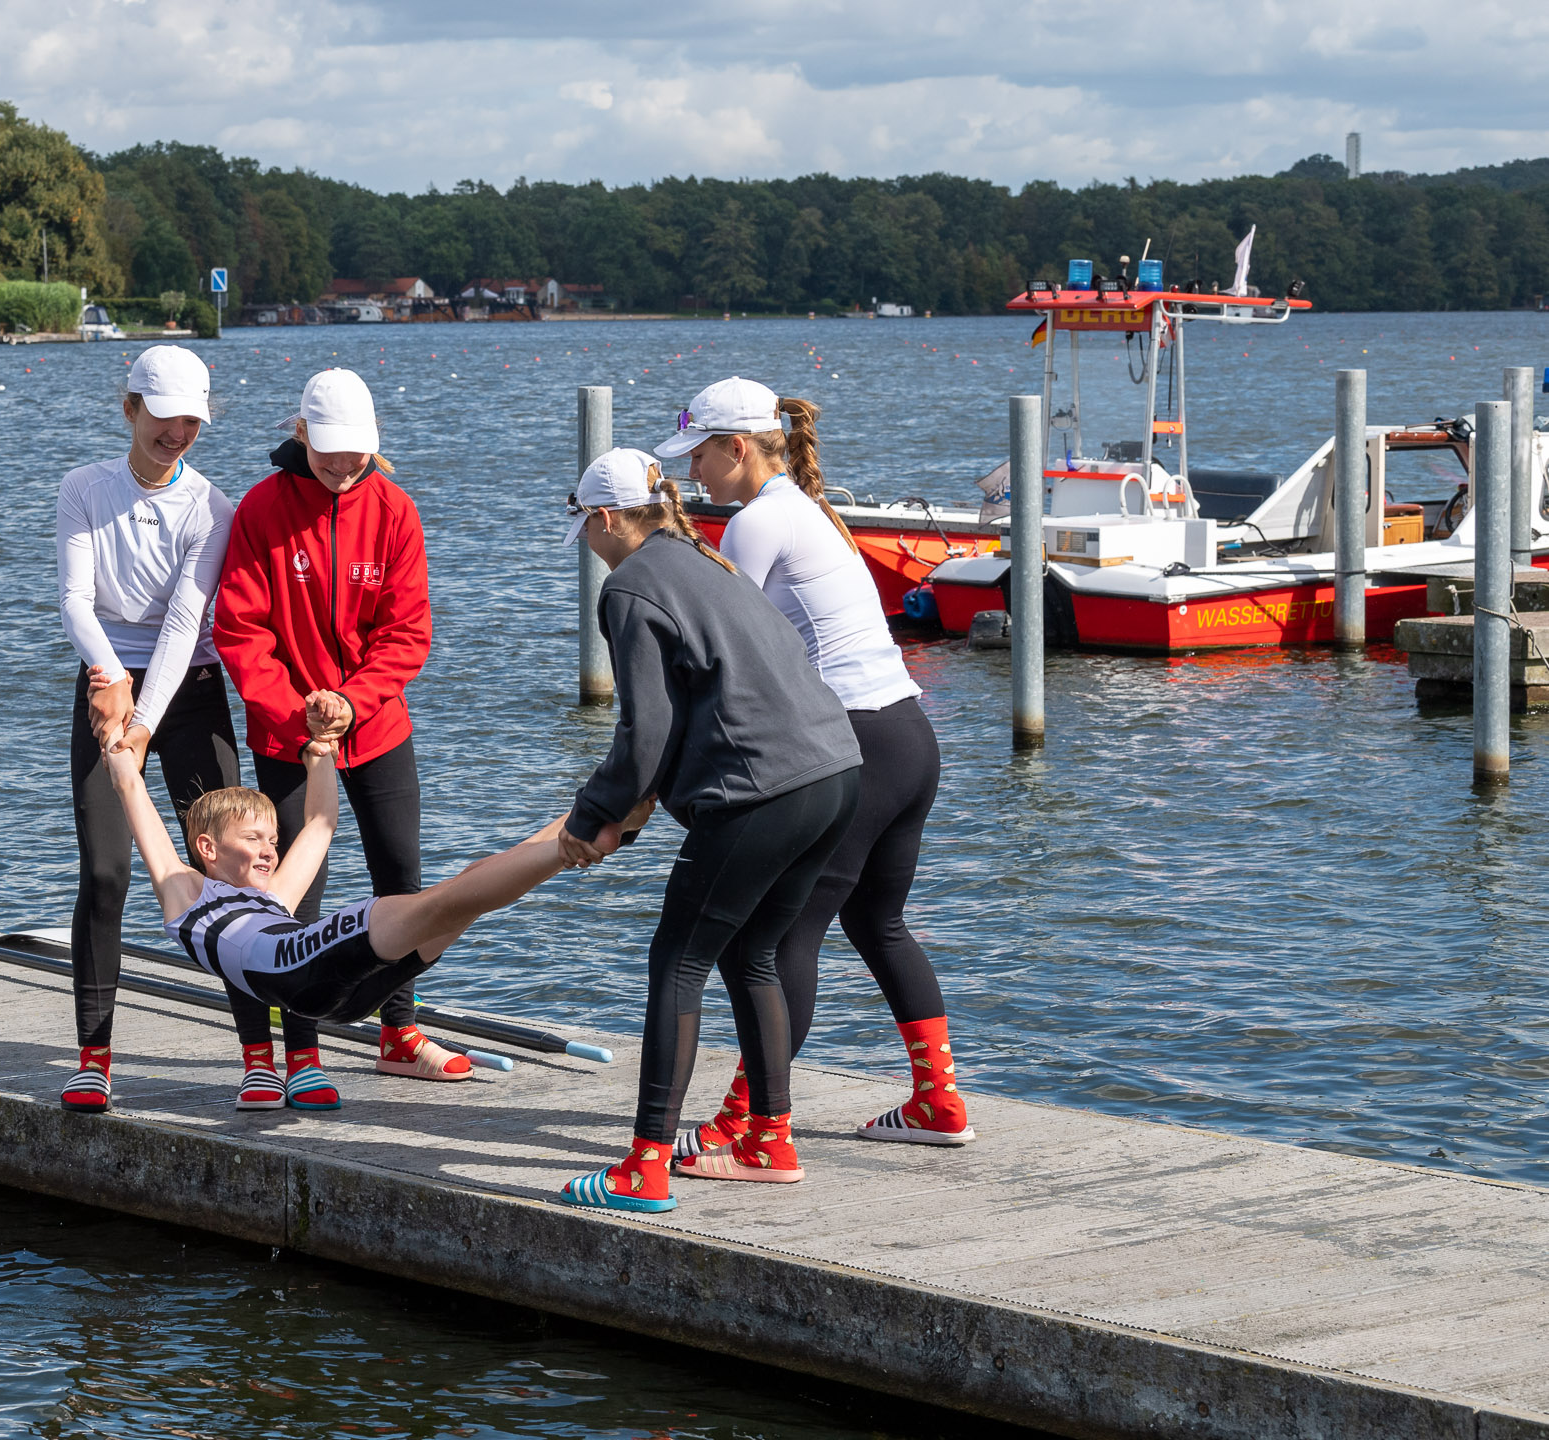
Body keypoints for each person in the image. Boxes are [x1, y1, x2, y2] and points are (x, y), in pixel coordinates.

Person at [658, 378, 974, 1149]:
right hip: (908, 735)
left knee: (779, 938)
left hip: (858, 747)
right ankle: (938, 1101)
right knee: (877, 920)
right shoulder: (804, 508)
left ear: (737, 447)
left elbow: (729, 661)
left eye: (698, 454)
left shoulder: (756, 526)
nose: (692, 471)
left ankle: (749, 1121)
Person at [555, 448, 864, 1213]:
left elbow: (645, 731)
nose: (589, 549)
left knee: (678, 961)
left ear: (604, 519)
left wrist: (591, 817)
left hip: (762, 787)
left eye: (586, 532)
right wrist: (629, 807)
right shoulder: (704, 557)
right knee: (752, 954)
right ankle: (769, 1140)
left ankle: (645, 1166)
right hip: (835, 770)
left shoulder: (630, 587)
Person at [212, 366, 469, 1110]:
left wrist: (351, 703)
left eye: (355, 455)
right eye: (328, 455)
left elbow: (407, 630)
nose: (343, 467)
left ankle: (400, 1030)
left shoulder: (395, 510)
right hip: (287, 732)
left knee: (403, 878)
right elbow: (239, 627)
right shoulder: (262, 508)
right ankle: (301, 1050)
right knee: (294, 892)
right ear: (300, 435)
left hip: (376, 724)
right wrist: (300, 712)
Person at [98, 723, 642, 1039]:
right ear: (208, 849)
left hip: (335, 998)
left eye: (270, 840)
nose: (269, 850)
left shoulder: (275, 898)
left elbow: (318, 823)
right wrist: (121, 753)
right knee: (440, 901)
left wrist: (321, 756)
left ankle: (589, 822)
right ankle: (581, 842)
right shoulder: (185, 890)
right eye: (253, 840)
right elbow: (135, 800)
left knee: (465, 892)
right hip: (299, 966)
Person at [56, 343, 274, 1113]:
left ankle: (258, 1056)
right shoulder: (84, 488)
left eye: (191, 422)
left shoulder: (212, 508)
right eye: (163, 418)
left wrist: (143, 720)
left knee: (234, 874)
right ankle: (93, 1054)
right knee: (107, 873)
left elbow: (186, 622)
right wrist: (112, 679)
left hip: (191, 687)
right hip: (107, 678)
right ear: (129, 409)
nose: (177, 433)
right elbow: (77, 602)